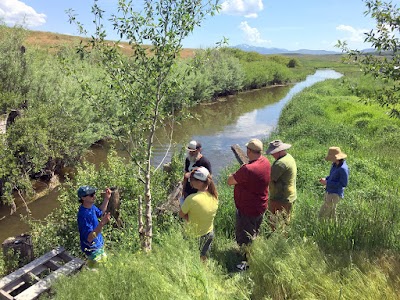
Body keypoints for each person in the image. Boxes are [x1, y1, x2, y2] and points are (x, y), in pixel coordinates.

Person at [227, 138, 271, 270]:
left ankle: (246, 263)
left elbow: (230, 181)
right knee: (254, 231)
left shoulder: (248, 169)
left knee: (245, 236)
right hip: (260, 206)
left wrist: (235, 174)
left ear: (249, 151)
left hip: (247, 209)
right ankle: (252, 252)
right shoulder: (266, 162)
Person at [179, 167, 218, 261]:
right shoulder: (215, 196)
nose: (190, 182)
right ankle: (204, 272)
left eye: (191, 180)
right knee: (203, 256)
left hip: (194, 236)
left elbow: (181, 214)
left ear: (199, 182)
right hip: (209, 233)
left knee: (192, 257)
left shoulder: (192, 199)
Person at [265, 140, 297, 231]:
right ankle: (285, 237)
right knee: (286, 220)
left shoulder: (280, 164)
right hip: (290, 195)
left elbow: (269, 179)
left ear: (279, 151)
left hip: (280, 197)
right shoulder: (289, 157)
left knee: (274, 222)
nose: (272, 155)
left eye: (273, 153)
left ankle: (276, 241)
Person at [77, 185, 112, 267]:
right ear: (83, 198)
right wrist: (102, 224)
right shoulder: (83, 216)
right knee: (103, 271)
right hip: (93, 250)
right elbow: (89, 238)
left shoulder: (91, 207)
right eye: (91, 195)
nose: (94, 196)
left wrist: (107, 198)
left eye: (94, 193)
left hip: (98, 245)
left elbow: (100, 212)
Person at [319, 147, 349, 220]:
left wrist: (327, 183)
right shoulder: (334, 165)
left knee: (322, 215)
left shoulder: (343, 169)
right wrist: (326, 179)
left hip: (335, 194)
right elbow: (332, 177)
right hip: (329, 192)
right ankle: (333, 228)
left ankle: (320, 227)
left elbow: (343, 184)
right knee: (331, 215)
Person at [181, 140, 212, 204]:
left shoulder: (205, 162)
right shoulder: (188, 160)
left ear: (199, 150)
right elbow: (185, 175)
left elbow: (209, 178)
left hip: (199, 190)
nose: (190, 153)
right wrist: (183, 189)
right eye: (190, 151)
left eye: (193, 151)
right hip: (188, 188)